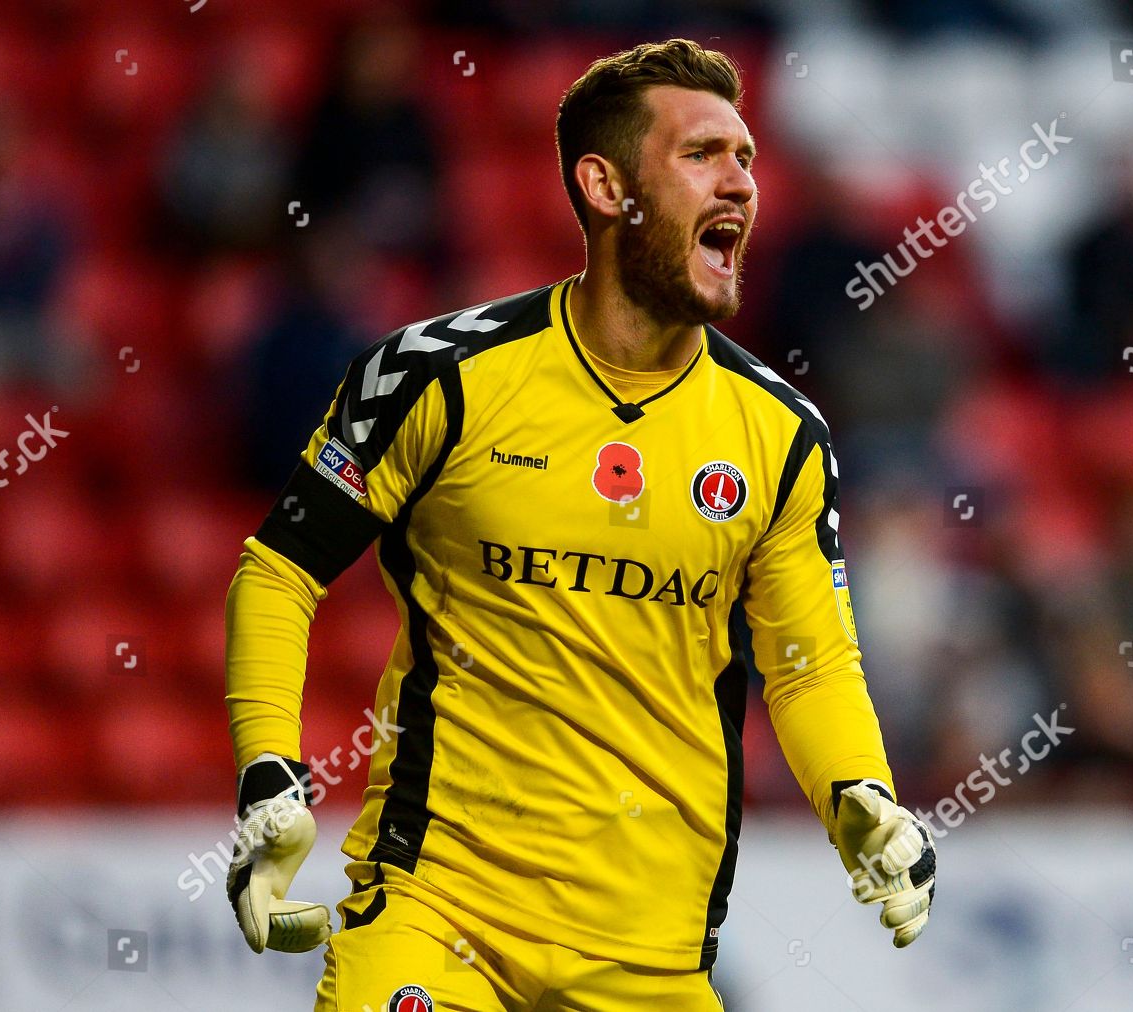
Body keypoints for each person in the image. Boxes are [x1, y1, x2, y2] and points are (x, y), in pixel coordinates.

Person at [223, 39, 936, 1011]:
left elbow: (809, 664)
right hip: (438, 916)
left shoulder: (781, 436)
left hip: (652, 958)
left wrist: (861, 795)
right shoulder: (437, 376)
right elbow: (280, 569)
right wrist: (270, 768)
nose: (740, 183)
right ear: (604, 185)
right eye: (703, 155)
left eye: (748, 158)